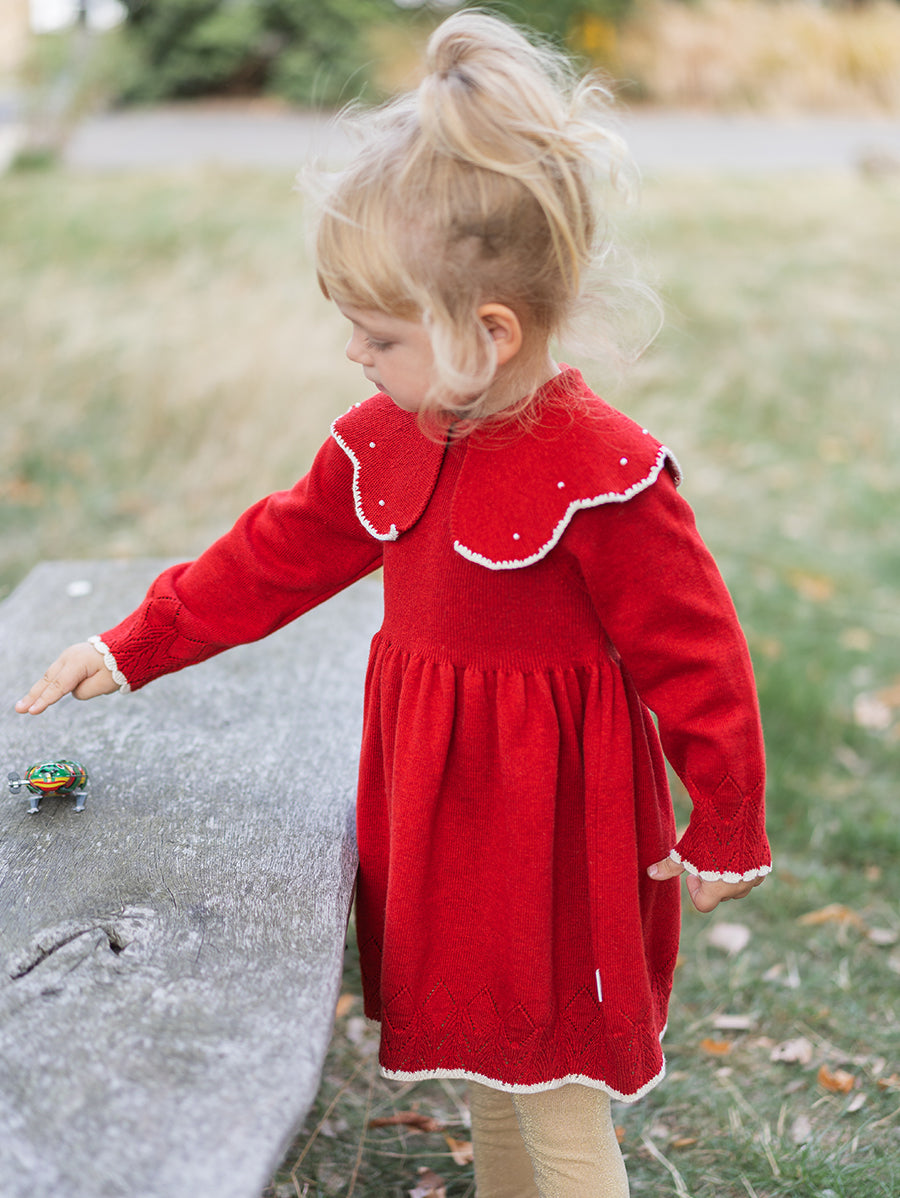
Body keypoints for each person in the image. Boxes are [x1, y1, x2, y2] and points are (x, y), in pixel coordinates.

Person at [15, 12, 770, 1196]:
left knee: (556, 1090)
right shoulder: (386, 439)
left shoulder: (605, 476)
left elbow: (698, 656)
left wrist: (725, 816)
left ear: (489, 332)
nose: (354, 356)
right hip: (438, 807)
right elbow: (272, 555)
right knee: (490, 1073)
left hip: (552, 831)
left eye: (377, 334)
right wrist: (135, 642)